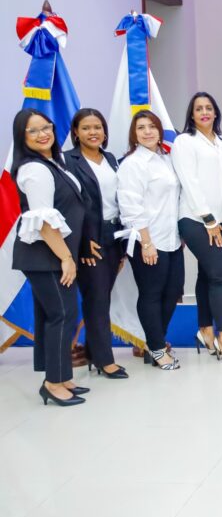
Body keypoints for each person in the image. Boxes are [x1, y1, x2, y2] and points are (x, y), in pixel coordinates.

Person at [12, 110, 89, 405]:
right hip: (47, 256)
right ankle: (53, 383)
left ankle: (62, 375)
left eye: (46, 127)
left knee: (54, 314)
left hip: (54, 254)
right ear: (22, 137)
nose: (43, 133)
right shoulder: (35, 170)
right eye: (33, 131)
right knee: (62, 315)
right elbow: (43, 222)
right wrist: (67, 258)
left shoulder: (52, 163)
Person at [172, 92, 222, 364]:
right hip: (195, 219)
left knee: (206, 274)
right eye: (198, 108)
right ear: (191, 114)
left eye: (208, 108)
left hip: (220, 221)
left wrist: (221, 221)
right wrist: (209, 220)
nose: (204, 112)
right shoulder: (184, 142)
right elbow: (189, 182)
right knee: (219, 275)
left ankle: (205, 329)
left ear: (215, 113)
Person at [117, 110, 184, 370]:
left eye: (152, 127)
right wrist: (146, 242)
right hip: (147, 240)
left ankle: (154, 341)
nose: (147, 132)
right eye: (141, 127)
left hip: (172, 239)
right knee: (152, 294)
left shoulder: (167, 159)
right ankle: (156, 348)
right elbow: (130, 206)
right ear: (134, 133)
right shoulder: (132, 163)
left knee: (172, 292)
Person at [63, 108, 128, 379]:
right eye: (87, 127)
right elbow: (72, 206)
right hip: (90, 241)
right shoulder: (67, 161)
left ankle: (94, 350)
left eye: (98, 127)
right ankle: (104, 359)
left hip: (115, 236)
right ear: (76, 132)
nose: (93, 132)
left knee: (103, 295)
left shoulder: (110, 158)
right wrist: (83, 242)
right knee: (97, 299)